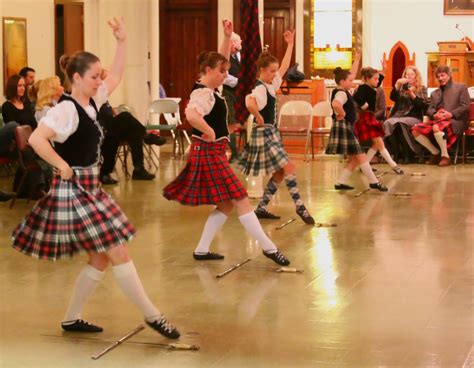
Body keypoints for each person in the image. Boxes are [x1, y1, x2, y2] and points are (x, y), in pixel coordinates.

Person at [11, 18, 180, 339]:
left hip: (91, 188)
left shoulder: (92, 102)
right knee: (118, 252)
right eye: (94, 76)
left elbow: (115, 75)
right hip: (75, 190)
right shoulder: (67, 109)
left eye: (98, 76)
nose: (99, 80)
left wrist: (121, 41)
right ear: (76, 78)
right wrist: (61, 164)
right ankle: (153, 315)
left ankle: (72, 318)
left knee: (101, 258)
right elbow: (36, 140)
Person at [163, 20, 290, 266]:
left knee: (225, 204)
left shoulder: (211, 89)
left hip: (214, 153)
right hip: (208, 152)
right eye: (222, 71)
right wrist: (209, 130)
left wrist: (227, 35)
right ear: (209, 70)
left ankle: (201, 249)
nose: (226, 75)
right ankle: (269, 247)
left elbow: (219, 59)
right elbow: (190, 114)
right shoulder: (203, 93)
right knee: (240, 198)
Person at [238, 31, 315, 225]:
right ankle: (300, 207)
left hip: (270, 132)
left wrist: (290, 45)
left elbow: (284, 67)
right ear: (262, 70)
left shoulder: (271, 84)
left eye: (275, 71)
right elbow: (249, 102)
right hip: (264, 133)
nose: (275, 74)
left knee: (280, 172)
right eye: (271, 71)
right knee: (288, 166)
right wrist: (257, 116)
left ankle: (262, 207)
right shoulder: (260, 88)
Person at [325, 67, 388, 191]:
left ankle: (341, 182)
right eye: (350, 80)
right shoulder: (341, 93)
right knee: (360, 155)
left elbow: (350, 74)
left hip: (345, 126)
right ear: (342, 82)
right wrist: (342, 114)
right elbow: (336, 104)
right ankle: (373, 181)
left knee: (354, 159)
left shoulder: (341, 90)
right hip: (345, 126)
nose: (352, 82)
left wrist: (357, 58)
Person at [412, 65, 470, 166]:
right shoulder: (435, 93)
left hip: (455, 120)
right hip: (437, 121)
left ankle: (445, 156)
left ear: (449, 75)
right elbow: (429, 109)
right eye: (438, 77)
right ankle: (435, 153)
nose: (440, 79)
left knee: (436, 127)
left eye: (443, 75)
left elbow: (465, 106)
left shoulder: (461, 87)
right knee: (415, 130)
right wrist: (435, 114)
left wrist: (450, 114)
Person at [353, 67, 403, 175]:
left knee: (376, 144)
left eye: (378, 79)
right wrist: (364, 106)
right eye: (375, 79)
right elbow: (356, 100)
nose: (377, 81)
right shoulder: (361, 88)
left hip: (371, 118)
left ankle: (364, 165)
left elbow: (382, 108)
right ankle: (394, 165)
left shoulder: (374, 88)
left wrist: (383, 71)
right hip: (365, 119)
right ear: (366, 79)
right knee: (380, 144)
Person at [383, 66, 429, 163]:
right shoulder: (400, 88)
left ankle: (408, 155)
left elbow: (423, 106)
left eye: (411, 74)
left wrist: (412, 94)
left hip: (414, 117)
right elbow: (392, 98)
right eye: (407, 74)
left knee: (400, 124)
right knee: (387, 123)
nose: (409, 77)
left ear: (416, 76)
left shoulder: (422, 88)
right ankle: (396, 153)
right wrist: (396, 85)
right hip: (398, 115)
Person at [222, 32, 242, 162]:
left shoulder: (242, 56)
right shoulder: (225, 57)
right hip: (229, 93)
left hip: (242, 94)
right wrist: (241, 81)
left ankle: (247, 151)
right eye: (239, 42)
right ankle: (234, 153)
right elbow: (225, 77)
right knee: (231, 122)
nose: (241, 44)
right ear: (233, 43)